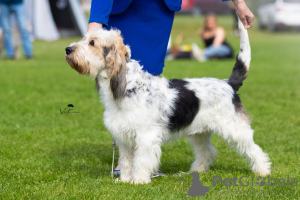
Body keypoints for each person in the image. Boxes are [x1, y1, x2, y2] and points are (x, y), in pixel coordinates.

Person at [84, 0, 254, 175]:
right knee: (125, 95)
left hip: (158, 9)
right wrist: (94, 27)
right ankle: (126, 165)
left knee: (150, 98)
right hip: (123, 9)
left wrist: (239, 3)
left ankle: (144, 167)